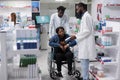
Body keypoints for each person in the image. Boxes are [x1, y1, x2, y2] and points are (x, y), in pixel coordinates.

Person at [70, 2, 96, 80]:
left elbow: (87, 31)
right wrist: (77, 34)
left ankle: (85, 78)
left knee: (84, 63)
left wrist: (76, 36)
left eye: (77, 9)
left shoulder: (86, 16)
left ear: (82, 7)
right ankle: (85, 77)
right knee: (84, 63)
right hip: (84, 43)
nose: (77, 11)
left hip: (86, 44)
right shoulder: (84, 16)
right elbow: (84, 30)